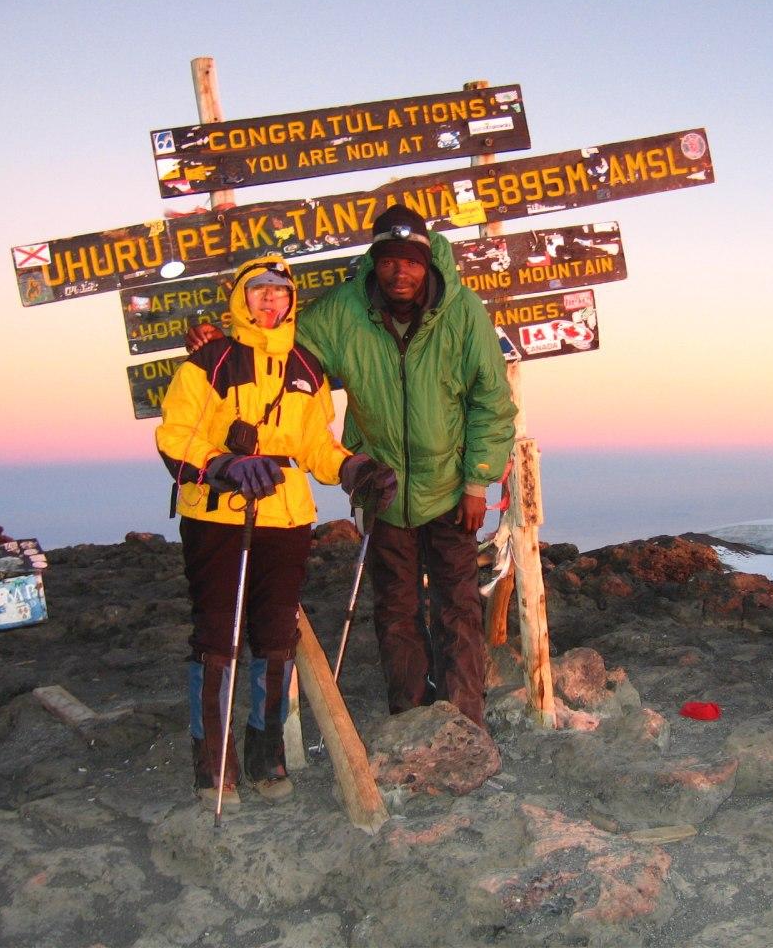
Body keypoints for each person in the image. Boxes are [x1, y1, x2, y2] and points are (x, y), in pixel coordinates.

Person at [189, 205, 516, 729]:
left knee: (457, 606)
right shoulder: (345, 309)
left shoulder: (462, 312)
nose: (399, 273)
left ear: (427, 261)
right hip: (380, 487)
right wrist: (222, 346)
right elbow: (278, 342)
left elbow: (491, 401)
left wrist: (478, 480)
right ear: (375, 261)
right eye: (388, 261)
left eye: (410, 261)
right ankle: (410, 718)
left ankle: (465, 720)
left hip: (453, 488)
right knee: (395, 610)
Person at [157, 254, 395, 810]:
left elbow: (316, 446)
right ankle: (213, 765)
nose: (270, 298)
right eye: (258, 289)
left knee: (274, 640)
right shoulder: (208, 364)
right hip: (219, 515)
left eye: (279, 291)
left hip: (285, 517)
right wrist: (222, 465)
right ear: (241, 298)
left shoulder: (307, 368)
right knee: (216, 639)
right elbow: (175, 437)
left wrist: (354, 469)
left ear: (291, 302)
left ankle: (266, 756)